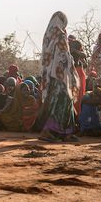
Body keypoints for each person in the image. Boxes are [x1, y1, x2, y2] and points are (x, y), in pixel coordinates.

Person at [35, 11, 79, 142]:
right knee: (62, 103)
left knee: (64, 102)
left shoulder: (48, 35)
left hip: (52, 75)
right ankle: (49, 131)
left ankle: (66, 132)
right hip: (61, 75)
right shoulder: (60, 34)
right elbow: (63, 54)